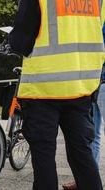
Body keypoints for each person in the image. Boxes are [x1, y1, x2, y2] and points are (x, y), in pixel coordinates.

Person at [6, 0, 105, 190]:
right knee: (82, 155)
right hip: (81, 85)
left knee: (44, 158)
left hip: (43, 88)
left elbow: (20, 42)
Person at [62, 24, 105, 190]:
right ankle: (85, 180)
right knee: (93, 134)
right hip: (95, 82)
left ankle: (86, 180)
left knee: (93, 134)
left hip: (99, 80)